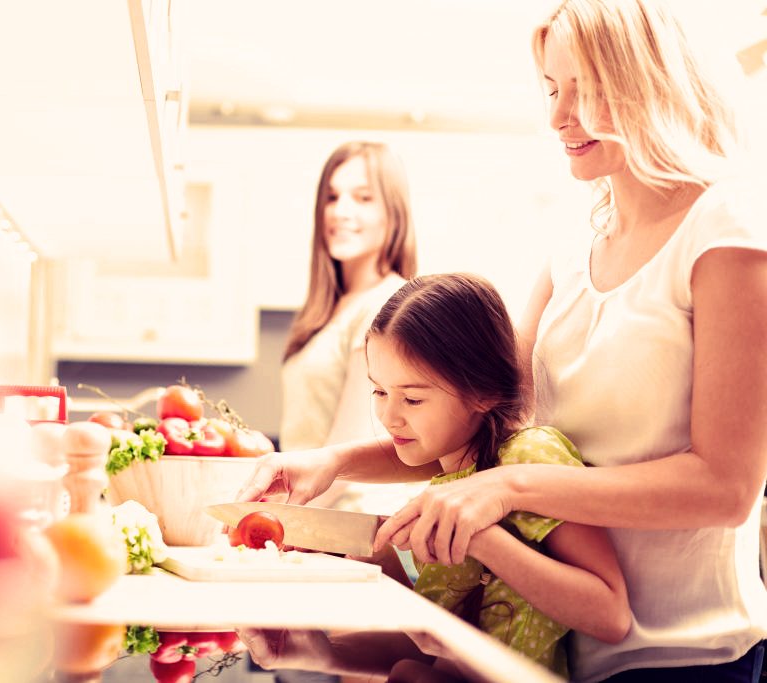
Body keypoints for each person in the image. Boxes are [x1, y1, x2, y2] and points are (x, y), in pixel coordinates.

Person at [240, 1, 767, 681]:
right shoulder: (573, 251)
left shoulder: (726, 229)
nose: (557, 117)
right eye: (552, 90)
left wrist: (508, 488)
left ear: (647, 81)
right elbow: (480, 416)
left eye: (585, 90)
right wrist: (332, 462)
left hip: (690, 654)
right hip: (576, 654)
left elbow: (726, 486)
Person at [243, 273, 631, 680]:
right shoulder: (450, 476)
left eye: (412, 398)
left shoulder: (530, 457)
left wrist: (481, 538)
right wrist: (318, 652)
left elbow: (610, 615)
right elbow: (432, 652)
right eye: (378, 392)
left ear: (483, 392)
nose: (389, 417)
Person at [274, 138, 418, 683]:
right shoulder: (331, 307)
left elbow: (343, 451)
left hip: (353, 547)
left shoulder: (386, 305)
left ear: (393, 214)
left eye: (362, 197)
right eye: (332, 197)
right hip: (317, 537)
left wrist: (264, 528)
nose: (341, 212)